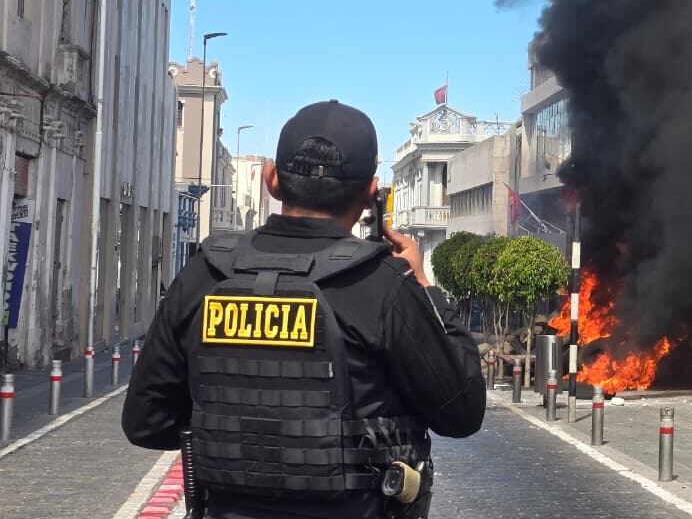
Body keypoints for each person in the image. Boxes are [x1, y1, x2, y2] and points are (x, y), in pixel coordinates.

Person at [123, 100, 486, 519]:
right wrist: (426, 287)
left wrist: (238, 431)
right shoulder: (386, 285)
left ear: (271, 180)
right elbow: (462, 412)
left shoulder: (203, 274)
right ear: (372, 193)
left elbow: (146, 423)